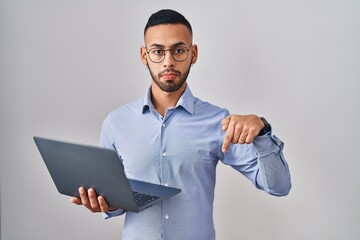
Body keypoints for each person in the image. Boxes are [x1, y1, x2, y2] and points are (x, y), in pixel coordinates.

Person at [71, 9, 291, 240]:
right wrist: (105, 204)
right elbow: (116, 199)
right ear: (144, 55)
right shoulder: (116, 123)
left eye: (178, 50)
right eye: (157, 51)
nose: (168, 62)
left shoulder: (219, 122)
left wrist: (262, 131)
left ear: (193, 54)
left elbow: (278, 186)